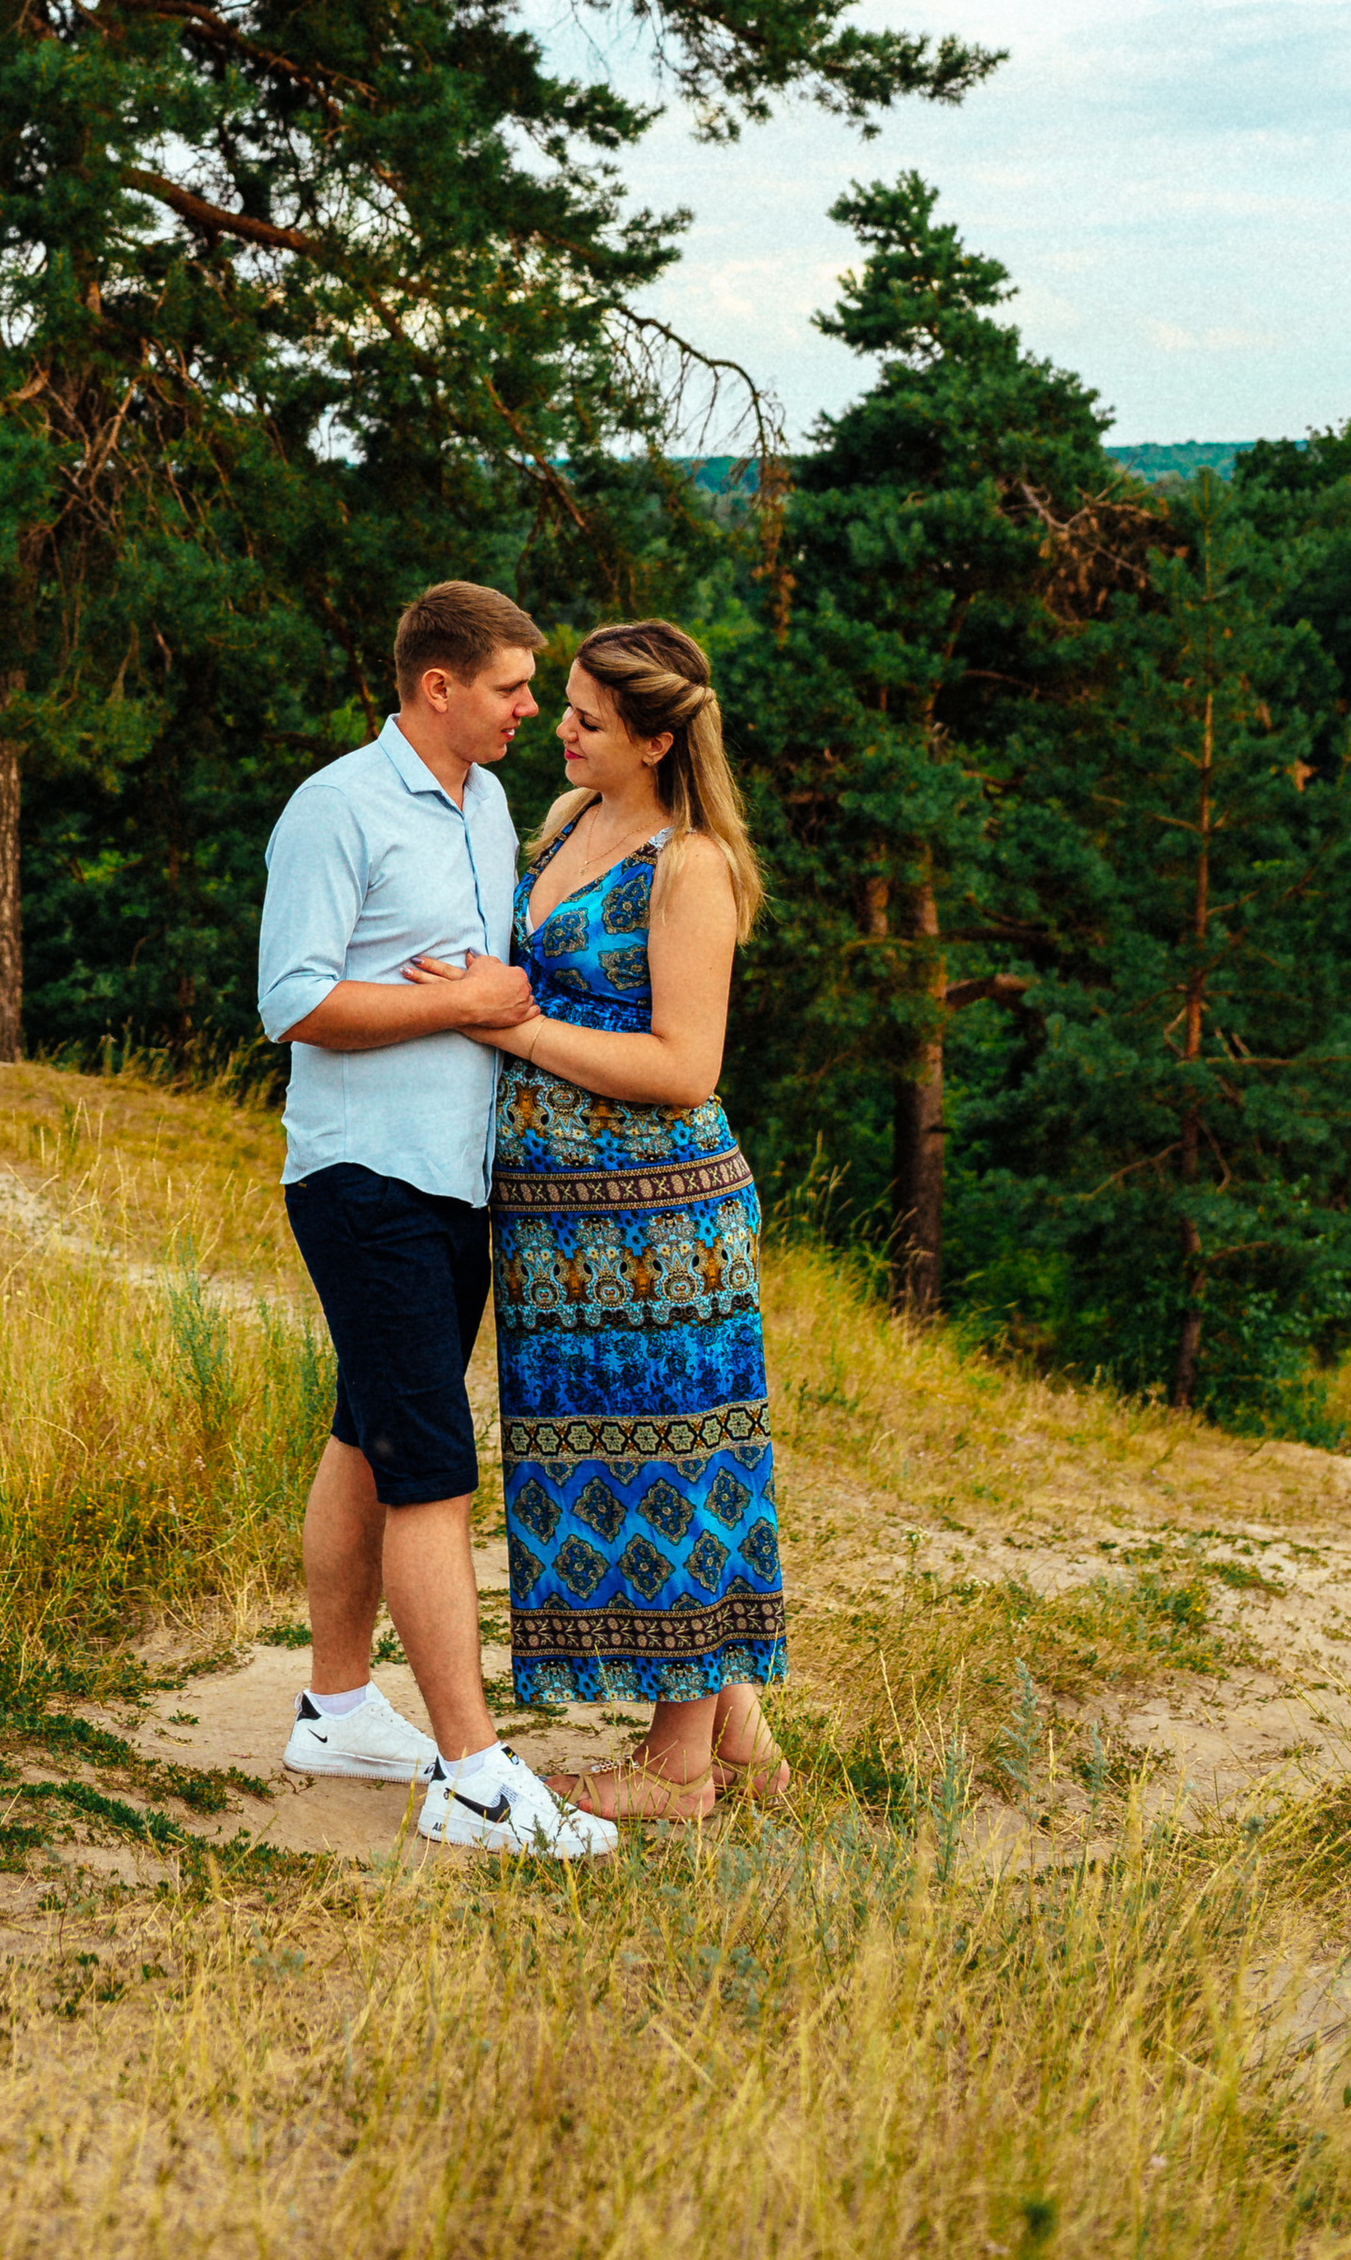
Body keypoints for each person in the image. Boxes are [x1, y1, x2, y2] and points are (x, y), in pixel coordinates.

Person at [257, 581, 620, 1860]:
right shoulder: (336, 807)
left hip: (455, 1179)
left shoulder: (488, 803)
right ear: (438, 688)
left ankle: (337, 1709)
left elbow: (489, 976)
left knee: (365, 1433)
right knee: (428, 1465)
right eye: (515, 687)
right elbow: (293, 1001)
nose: (534, 708)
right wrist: (467, 1004)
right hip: (366, 1177)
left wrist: (491, 996)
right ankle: (470, 1775)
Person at [410, 616, 786, 1822]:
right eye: (560, 704)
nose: (555, 728)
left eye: (583, 718)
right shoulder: (573, 823)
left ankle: (675, 1774)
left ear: (657, 739)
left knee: (674, 1461)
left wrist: (505, 1027)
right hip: (557, 1234)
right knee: (602, 1471)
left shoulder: (692, 866)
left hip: (660, 1229)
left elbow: (686, 1064)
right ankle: (731, 1727)